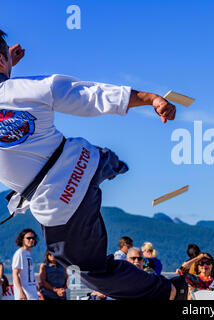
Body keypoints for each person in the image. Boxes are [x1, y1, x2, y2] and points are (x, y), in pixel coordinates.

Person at [0, 30, 176, 300]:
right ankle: (115, 165)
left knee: (91, 270)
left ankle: (172, 292)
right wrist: (150, 98)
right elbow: (90, 95)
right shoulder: (34, 87)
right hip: (86, 159)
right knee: (109, 161)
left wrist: (6, 65)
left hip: (59, 200)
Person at [12, 229, 39, 300]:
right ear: (22, 239)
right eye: (28, 238)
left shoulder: (27, 253)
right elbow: (15, 274)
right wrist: (21, 291)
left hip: (32, 293)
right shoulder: (20, 253)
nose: (31, 240)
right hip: (25, 295)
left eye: (33, 238)